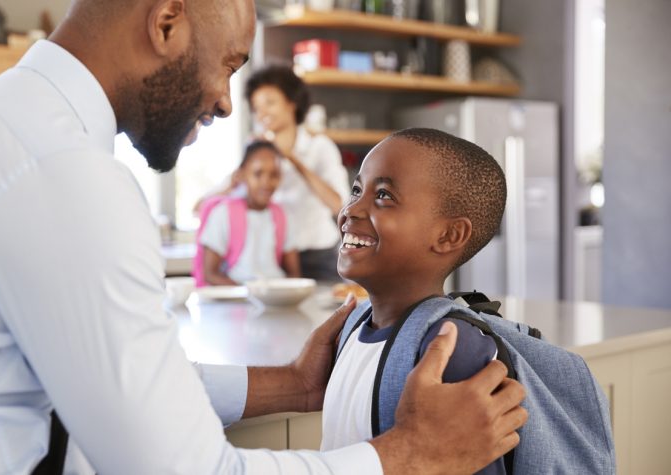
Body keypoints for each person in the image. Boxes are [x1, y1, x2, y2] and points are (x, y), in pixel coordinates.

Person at [0, 0, 527, 473]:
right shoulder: (61, 173)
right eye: (230, 63)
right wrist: (408, 456)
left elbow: (98, 375)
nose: (227, 103)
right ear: (167, 21)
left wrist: (293, 384)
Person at [321, 128, 509, 472]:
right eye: (357, 190)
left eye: (383, 196)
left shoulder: (450, 348)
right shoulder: (354, 323)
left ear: (449, 235)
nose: (350, 210)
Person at [198, 64, 350, 282]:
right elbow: (215, 202)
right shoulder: (256, 149)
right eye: (256, 107)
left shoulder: (320, 147)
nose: (262, 113)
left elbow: (339, 205)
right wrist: (244, 171)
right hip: (275, 259)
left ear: (291, 103)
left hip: (319, 256)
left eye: (270, 102)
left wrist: (291, 158)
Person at [197, 140, 301, 285]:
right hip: (237, 298)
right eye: (258, 174)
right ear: (241, 175)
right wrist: (249, 293)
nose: (266, 182)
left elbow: (294, 273)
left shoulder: (283, 215)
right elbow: (210, 274)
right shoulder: (223, 214)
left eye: (274, 175)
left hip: (275, 297)